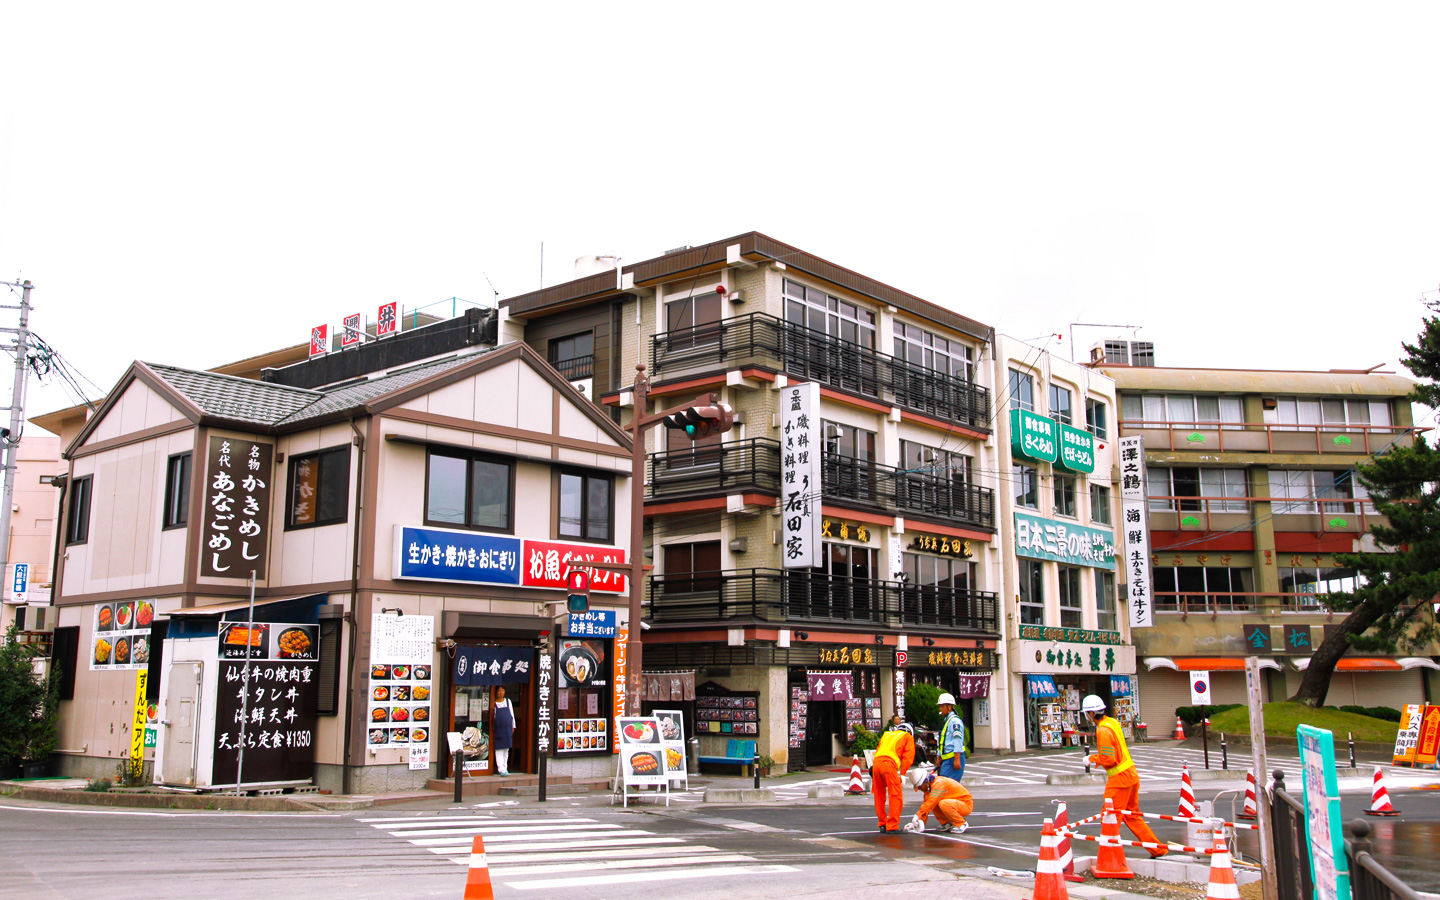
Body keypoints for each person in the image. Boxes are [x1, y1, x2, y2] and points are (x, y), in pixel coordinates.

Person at [1083, 694, 1166, 858]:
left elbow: (1109, 759)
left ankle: (1110, 856)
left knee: (1109, 817)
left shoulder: (1103, 730)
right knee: (1132, 816)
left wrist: (1090, 759)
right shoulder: (1112, 722)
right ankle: (1158, 850)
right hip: (1131, 774)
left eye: (1086, 713)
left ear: (1091, 714)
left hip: (1119, 779)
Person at [872, 718, 916, 832]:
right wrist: (903, 773)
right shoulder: (907, 736)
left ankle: (882, 823)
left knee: (879, 795)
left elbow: (878, 750)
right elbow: (908, 756)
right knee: (895, 795)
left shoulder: (887, 735)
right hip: (889, 765)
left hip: (876, 764)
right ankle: (892, 826)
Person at [904, 765, 972, 835]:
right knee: (932, 801)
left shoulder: (939, 783)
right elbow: (926, 807)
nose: (920, 789)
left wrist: (918, 815)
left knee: (943, 804)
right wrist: (918, 822)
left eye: (920, 787)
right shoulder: (930, 788)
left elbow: (931, 802)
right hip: (956, 803)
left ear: (925, 783)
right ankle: (947, 823)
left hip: (965, 804)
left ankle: (961, 823)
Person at [936, 692, 966, 780]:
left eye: (942, 706)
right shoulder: (948, 720)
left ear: (949, 707)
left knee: (949, 787)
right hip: (947, 760)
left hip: (953, 759)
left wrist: (957, 759)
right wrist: (939, 756)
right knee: (944, 786)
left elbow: (957, 740)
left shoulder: (954, 721)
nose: (940, 709)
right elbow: (942, 741)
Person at [492, 685, 515, 777]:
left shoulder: (508, 702)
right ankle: (501, 769)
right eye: (499, 690)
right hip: (499, 728)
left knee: (506, 749)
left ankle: (505, 768)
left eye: (502, 690)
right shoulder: (494, 703)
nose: (501, 692)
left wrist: (513, 726)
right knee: (499, 749)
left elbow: (512, 715)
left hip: (507, 728)